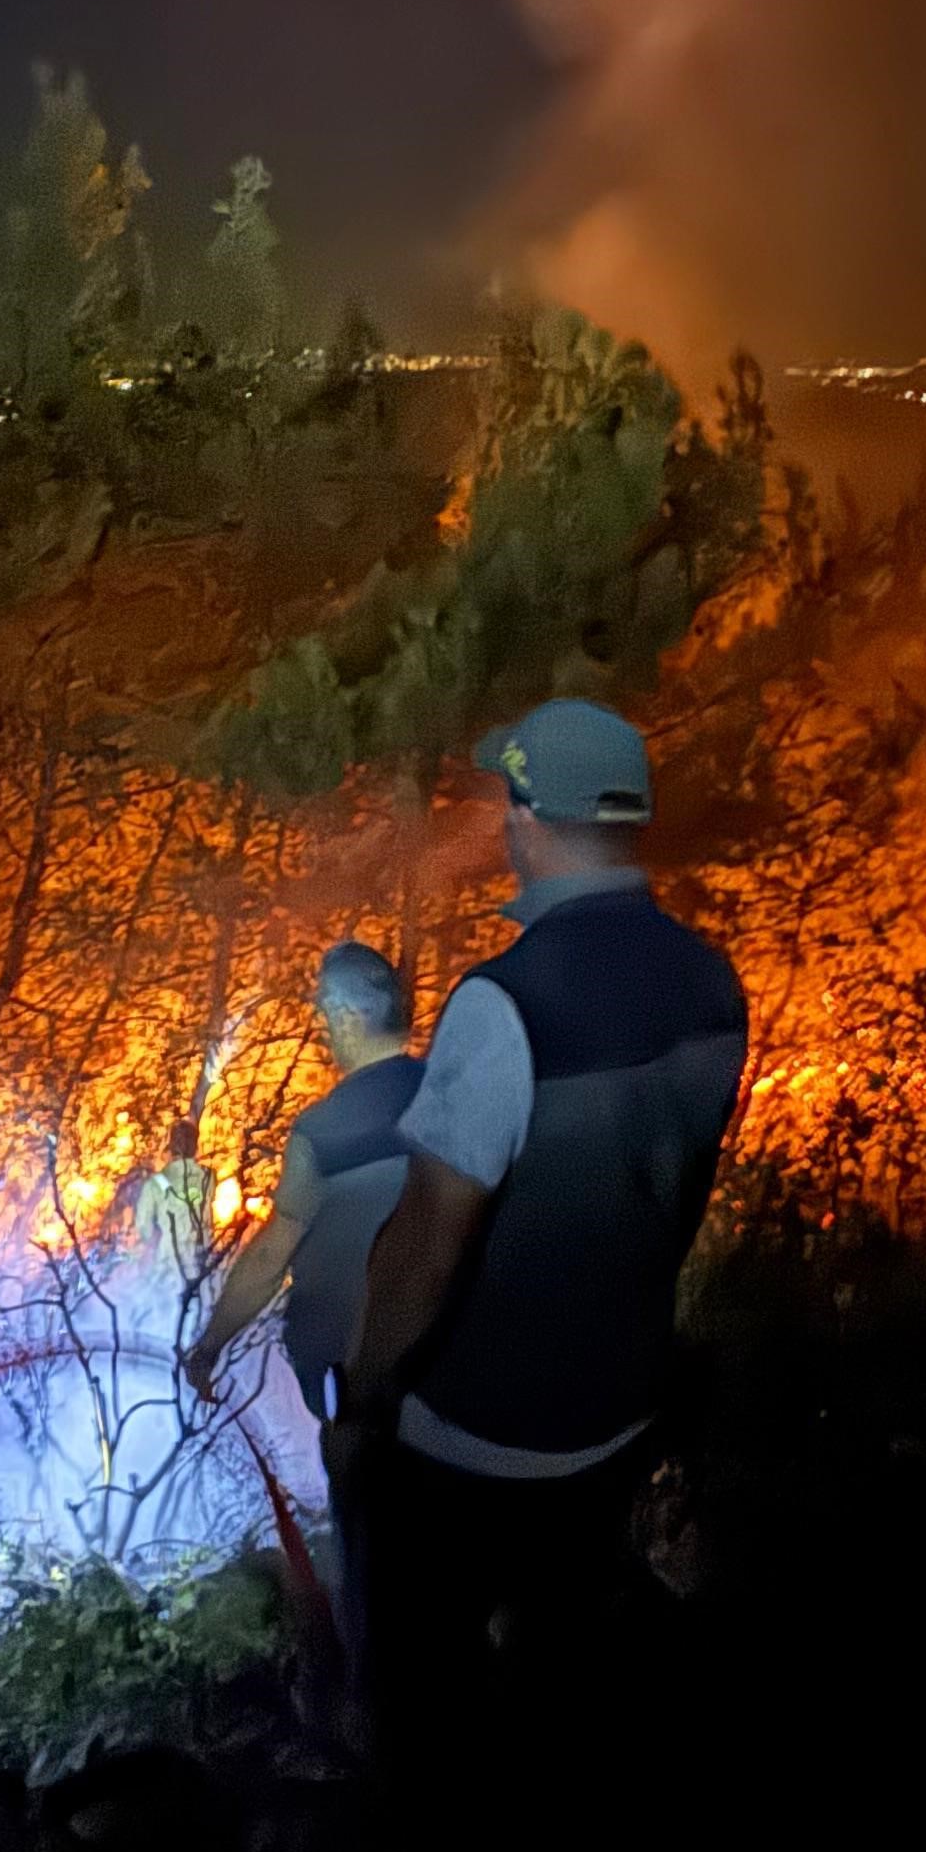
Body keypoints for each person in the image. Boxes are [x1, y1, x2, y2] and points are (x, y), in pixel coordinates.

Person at [322, 701, 746, 1770]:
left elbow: (427, 1243)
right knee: (565, 1690)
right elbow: (671, 1193)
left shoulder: (503, 1004)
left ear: (530, 813)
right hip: (619, 1414)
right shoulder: (713, 983)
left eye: (505, 802)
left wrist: (366, 1395)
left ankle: (413, 1838)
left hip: (478, 1436)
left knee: (422, 1702)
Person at [185, 942, 421, 1428]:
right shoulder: (458, 1094)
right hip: (459, 1365)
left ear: (349, 1017)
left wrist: (209, 1346)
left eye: (326, 1016)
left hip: (354, 1372)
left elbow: (273, 1256)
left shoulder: (324, 1129)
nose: (324, 1032)